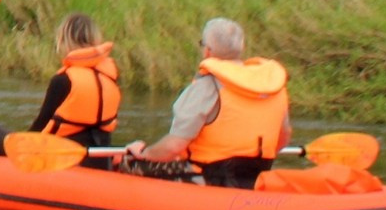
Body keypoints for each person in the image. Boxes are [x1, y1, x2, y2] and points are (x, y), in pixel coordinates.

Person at [123, 17, 291, 188]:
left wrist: (144, 153)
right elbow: (283, 139)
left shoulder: (207, 85)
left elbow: (174, 146)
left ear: (208, 51)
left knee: (129, 164)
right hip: (255, 176)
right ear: (242, 48)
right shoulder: (272, 87)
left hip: (210, 177)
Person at [0, 12, 120, 160]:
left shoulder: (63, 80)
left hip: (57, 159)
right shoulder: (109, 78)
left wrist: (18, 141)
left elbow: (39, 128)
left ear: (63, 41)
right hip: (99, 160)